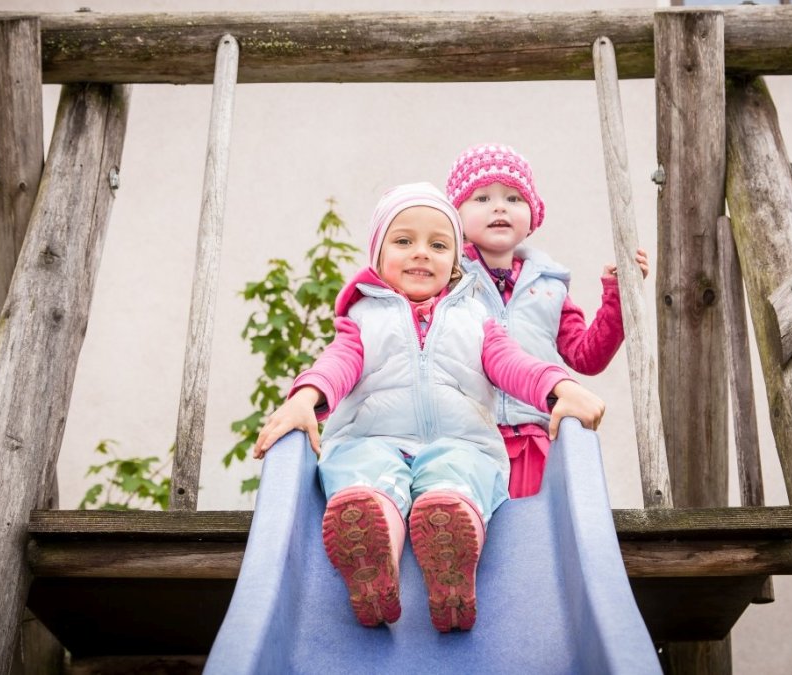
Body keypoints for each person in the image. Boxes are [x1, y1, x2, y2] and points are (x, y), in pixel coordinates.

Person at [253, 182, 605, 633]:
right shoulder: (362, 318)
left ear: (455, 260)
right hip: (372, 439)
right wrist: (305, 400)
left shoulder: (477, 318)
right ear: (377, 255)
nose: (422, 253)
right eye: (403, 241)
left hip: (459, 443)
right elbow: (337, 364)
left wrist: (559, 388)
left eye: (438, 245)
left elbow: (514, 365)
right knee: (363, 478)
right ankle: (373, 556)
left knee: (457, 480)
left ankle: (452, 560)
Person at [445, 143, 649, 498]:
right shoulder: (446, 279)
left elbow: (587, 355)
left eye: (513, 198)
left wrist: (619, 295)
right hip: (467, 437)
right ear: (455, 216)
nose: (498, 206)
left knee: (533, 533)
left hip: (535, 437)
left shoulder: (549, 285)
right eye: (481, 198)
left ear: (533, 214)